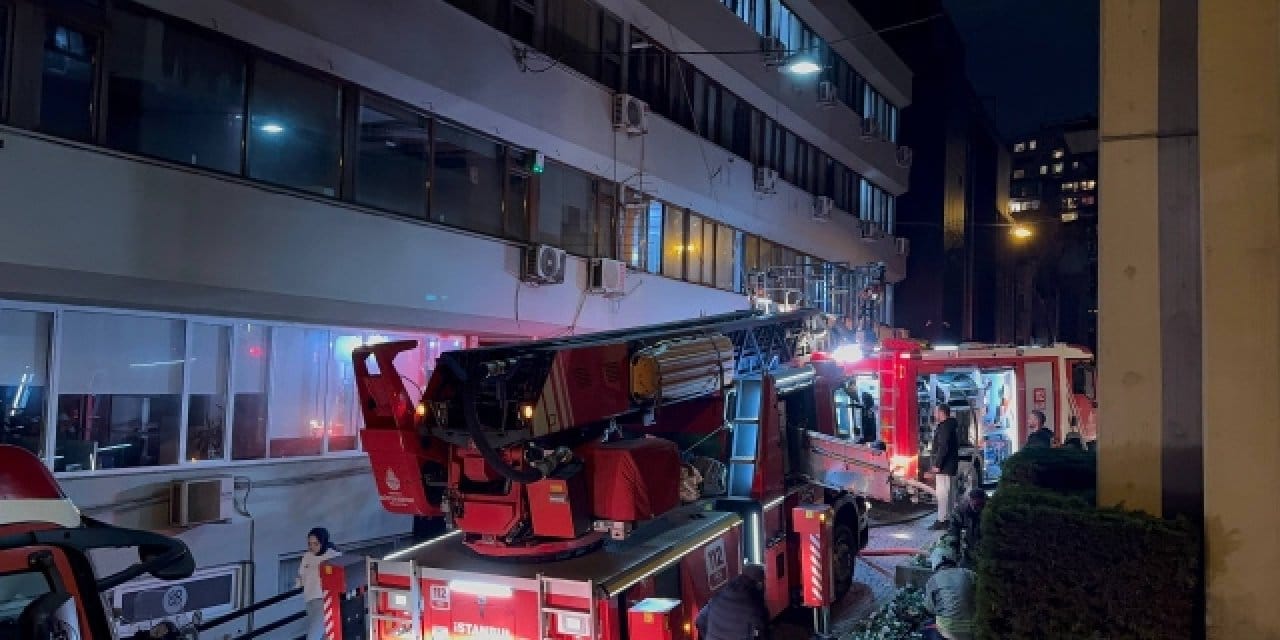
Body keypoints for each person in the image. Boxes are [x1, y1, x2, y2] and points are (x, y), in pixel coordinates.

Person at [695, 563, 770, 640]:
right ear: (757, 583)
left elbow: (699, 620)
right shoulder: (752, 605)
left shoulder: (720, 595)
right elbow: (762, 630)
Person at [922, 547, 977, 640]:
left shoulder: (933, 580)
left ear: (935, 563)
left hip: (947, 632)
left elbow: (929, 609)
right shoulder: (969, 573)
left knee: (926, 626)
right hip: (973, 629)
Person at [298, 527, 341, 640]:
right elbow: (301, 575)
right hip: (309, 600)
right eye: (310, 543)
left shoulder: (333, 555)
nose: (312, 547)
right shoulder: (307, 556)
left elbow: (341, 575)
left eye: (315, 544)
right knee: (324, 634)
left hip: (324, 599)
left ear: (323, 542)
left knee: (313, 635)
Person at [930, 405, 960, 531]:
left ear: (941, 413)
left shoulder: (944, 427)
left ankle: (942, 520)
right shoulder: (950, 426)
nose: (934, 414)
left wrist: (937, 465)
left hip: (944, 466)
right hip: (949, 465)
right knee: (947, 492)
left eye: (935, 412)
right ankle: (946, 518)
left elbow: (943, 447)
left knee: (942, 493)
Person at [948, 489, 987, 567]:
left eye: (980, 505)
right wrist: (954, 552)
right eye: (975, 505)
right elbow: (953, 532)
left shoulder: (991, 510)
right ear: (970, 501)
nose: (978, 508)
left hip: (986, 551)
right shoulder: (960, 511)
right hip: (969, 551)